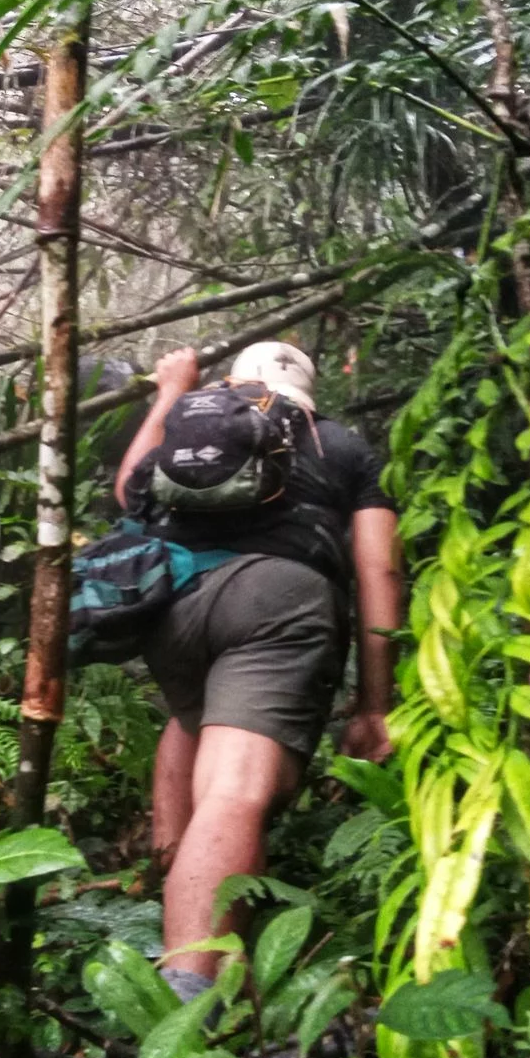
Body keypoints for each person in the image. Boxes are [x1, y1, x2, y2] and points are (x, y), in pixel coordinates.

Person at [114, 342, 403, 1003]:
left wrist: (170, 391)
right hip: (274, 605)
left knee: (191, 725)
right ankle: (191, 997)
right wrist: (374, 701)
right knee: (234, 791)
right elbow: (378, 570)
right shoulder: (343, 447)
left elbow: (130, 492)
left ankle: (174, 899)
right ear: (309, 395)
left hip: (170, 609)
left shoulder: (193, 425)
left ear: (232, 385)